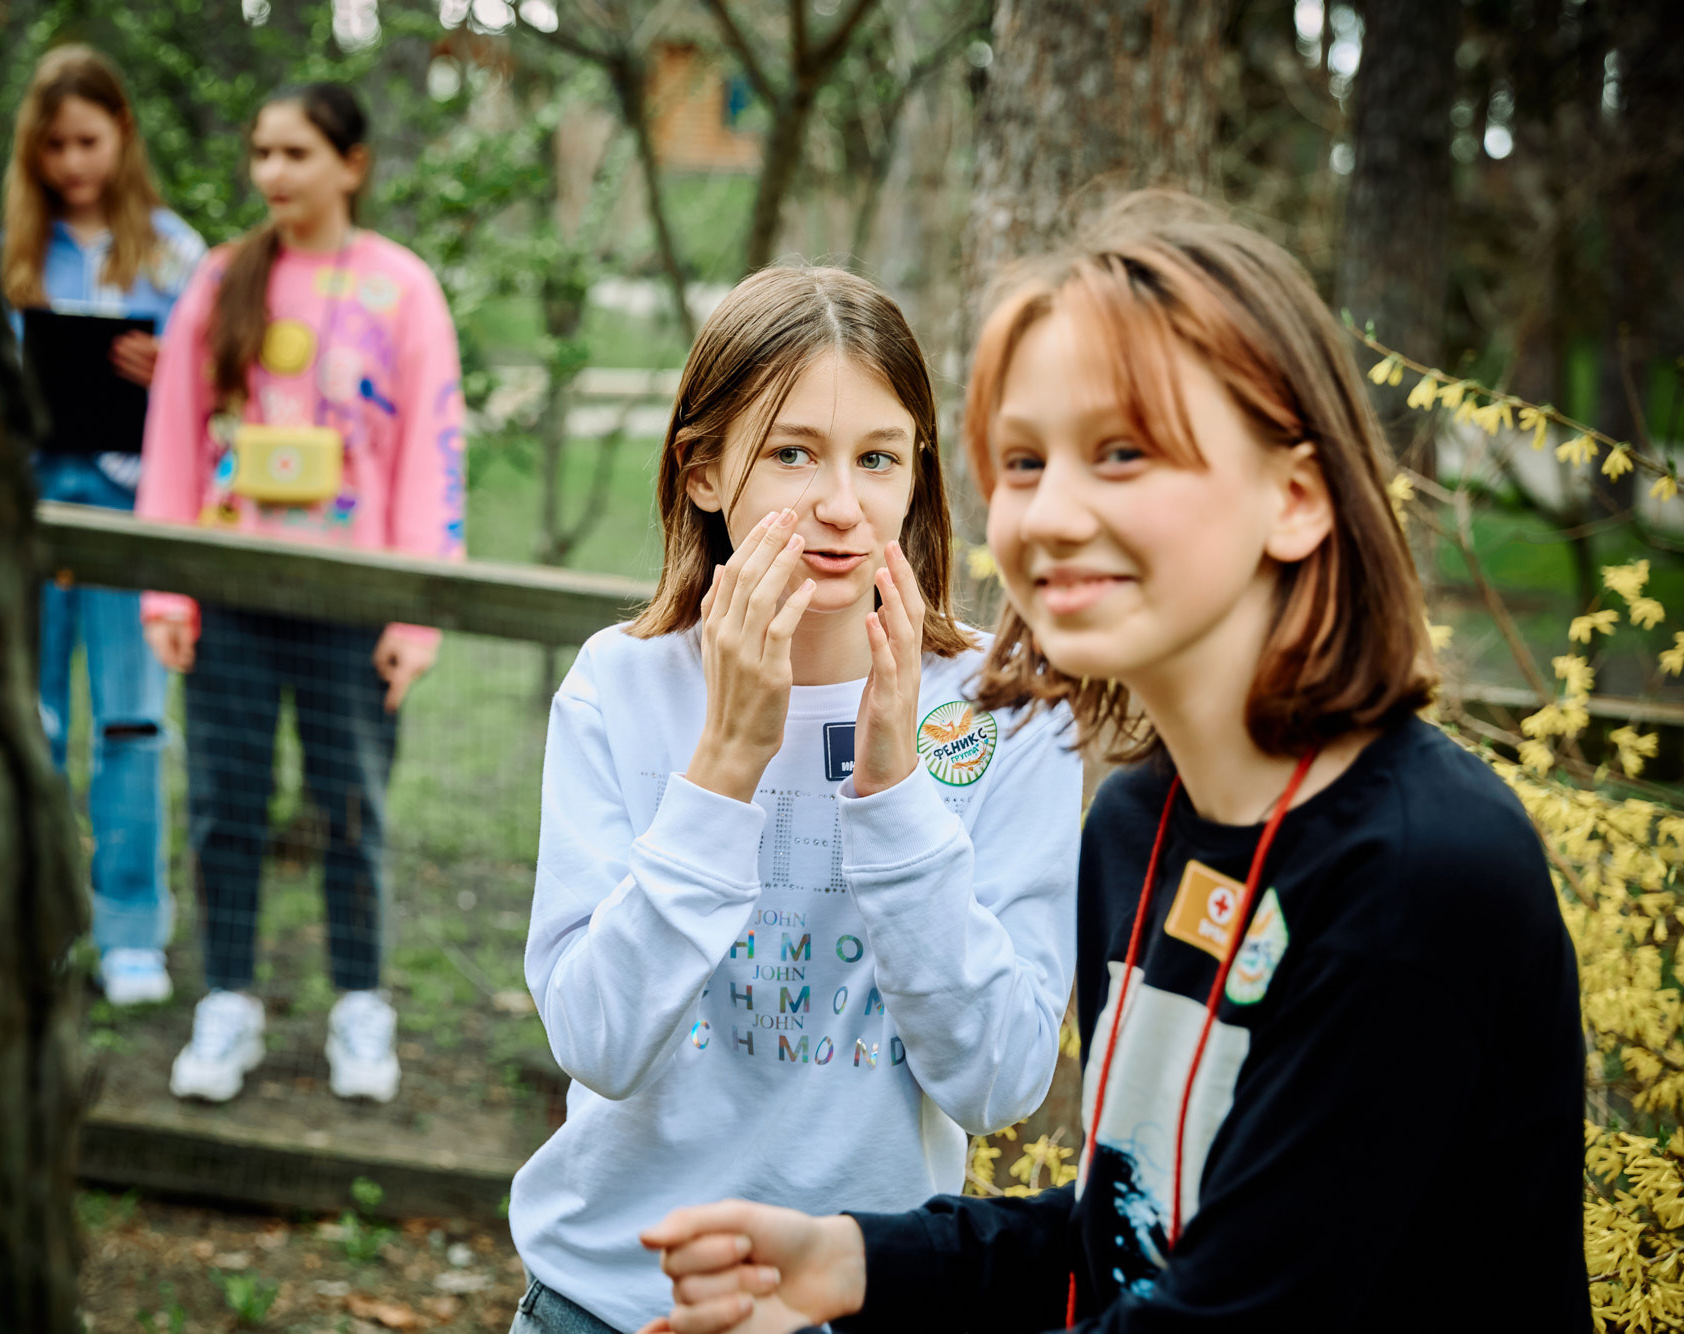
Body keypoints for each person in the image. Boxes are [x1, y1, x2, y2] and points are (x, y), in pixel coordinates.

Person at [633, 195, 1589, 1332]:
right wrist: (859, 1258)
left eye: (1122, 452)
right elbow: (1128, 1227)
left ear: (1293, 496)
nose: (1051, 512)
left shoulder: (1414, 877)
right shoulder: (1136, 824)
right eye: (1025, 460)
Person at [506, 266, 1083, 1334]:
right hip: (608, 1300)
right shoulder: (618, 687)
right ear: (703, 471)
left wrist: (893, 788)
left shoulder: (1003, 712)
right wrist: (726, 756)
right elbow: (596, 1037)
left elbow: (997, 1078)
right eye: (790, 453)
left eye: (875, 457)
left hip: (859, 1306)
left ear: (917, 475)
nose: (839, 503)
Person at [136, 83, 464, 1105]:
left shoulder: (401, 289)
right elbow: (175, 439)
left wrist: (415, 611)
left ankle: (360, 1004)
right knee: (224, 804)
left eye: (296, 153)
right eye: (262, 153)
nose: (273, 173)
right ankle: (226, 996)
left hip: (352, 600)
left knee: (350, 807)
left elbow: (432, 453)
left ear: (351, 165)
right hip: (229, 589)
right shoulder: (220, 281)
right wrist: (169, 592)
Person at [0, 44, 207, 1007]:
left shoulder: (173, 252)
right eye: (53, 146)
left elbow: (218, 395)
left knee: (131, 723)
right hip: (27, 518)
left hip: (132, 522)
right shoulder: (9, 253)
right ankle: (29, 921)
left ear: (122, 134)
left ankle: (130, 929)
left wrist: (169, 374)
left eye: (88, 140)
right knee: (26, 722)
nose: (72, 163)